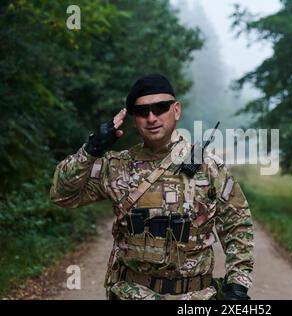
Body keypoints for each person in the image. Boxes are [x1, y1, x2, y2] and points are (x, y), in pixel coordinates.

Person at [50, 74, 255, 300]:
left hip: (195, 296)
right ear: (134, 119)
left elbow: (238, 224)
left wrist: (237, 283)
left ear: (176, 110)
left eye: (160, 107)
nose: (151, 117)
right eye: (142, 111)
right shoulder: (117, 166)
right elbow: (63, 196)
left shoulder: (209, 166)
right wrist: (91, 149)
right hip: (132, 294)